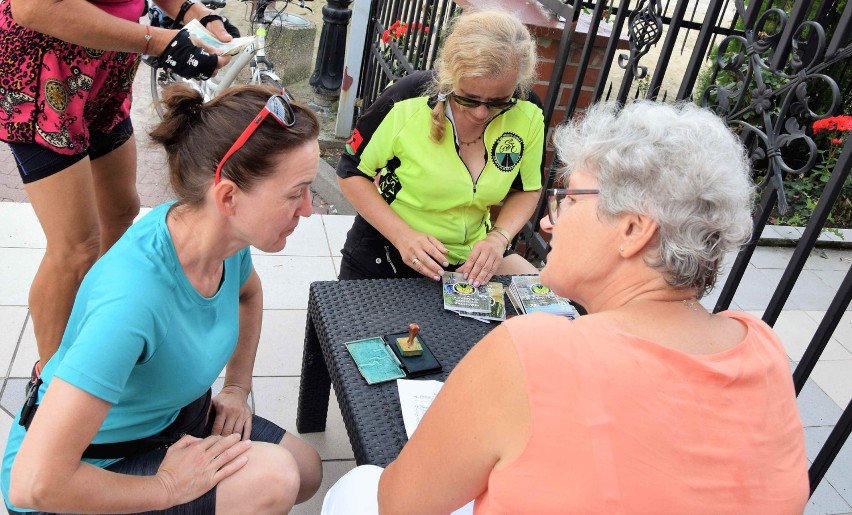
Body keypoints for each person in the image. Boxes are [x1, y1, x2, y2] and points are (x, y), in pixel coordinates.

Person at [321, 101, 810, 513]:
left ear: (634, 230)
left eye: (570, 200)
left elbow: (402, 503)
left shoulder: (533, 351)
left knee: (356, 488)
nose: (550, 224)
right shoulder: (762, 345)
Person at [2, 84, 323, 514]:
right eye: (295, 193)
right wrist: (169, 487)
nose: (308, 209)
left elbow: (249, 293)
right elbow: (32, 484)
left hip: (168, 420)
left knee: (306, 470)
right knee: (274, 479)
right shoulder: (133, 300)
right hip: (87, 470)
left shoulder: (221, 232)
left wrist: (236, 387)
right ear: (228, 196)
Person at [1, 0, 239, 382]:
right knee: (77, 247)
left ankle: (99, 333)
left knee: (121, 210)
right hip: (46, 67)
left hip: (106, 65)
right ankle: (51, 385)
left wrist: (194, 14)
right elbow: (33, 8)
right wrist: (161, 41)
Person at [337, 10, 543, 286]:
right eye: (469, 99)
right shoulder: (407, 99)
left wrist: (499, 237)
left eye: (498, 101)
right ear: (449, 75)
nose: (482, 113)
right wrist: (403, 236)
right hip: (386, 253)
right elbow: (351, 171)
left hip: (468, 263)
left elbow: (527, 189)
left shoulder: (528, 110)